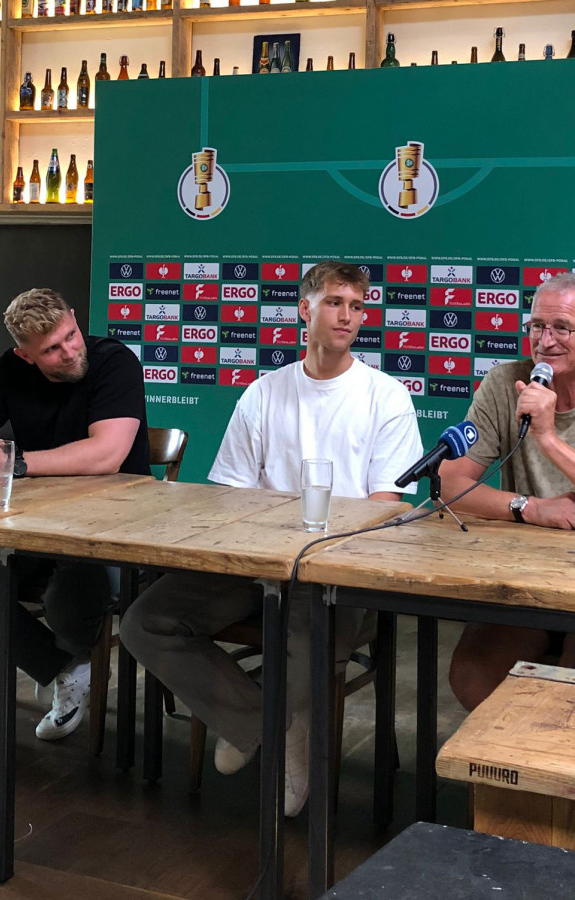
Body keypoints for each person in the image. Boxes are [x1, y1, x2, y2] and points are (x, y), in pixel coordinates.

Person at [120, 260, 423, 816]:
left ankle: (255, 723)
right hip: (252, 565)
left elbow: (389, 503)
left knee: (305, 650)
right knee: (144, 622)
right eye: (335, 302)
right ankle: (268, 726)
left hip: (336, 573)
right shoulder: (263, 393)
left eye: (358, 306)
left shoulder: (387, 396)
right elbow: (229, 494)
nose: (348, 316)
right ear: (304, 309)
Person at [0, 288, 150, 740]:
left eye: (71, 336)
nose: (68, 351)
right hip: (35, 523)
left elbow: (107, 454)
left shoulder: (114, 360)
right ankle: (63, 666)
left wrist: (15, 462)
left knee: (73, 582)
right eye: (52, 350)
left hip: (118, 527)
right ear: (25, 355)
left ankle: (70, 663)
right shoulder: (9, 370)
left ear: (76, 319)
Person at [440, 271, 575, 712]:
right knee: (472, 677)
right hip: (528, 580)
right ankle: (506, 775)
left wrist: (548, 438)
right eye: (537, 327)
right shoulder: (507, 383)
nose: (546, 341)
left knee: (574, 686)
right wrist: (529, 507)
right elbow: (449, 484)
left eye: (562, 327)